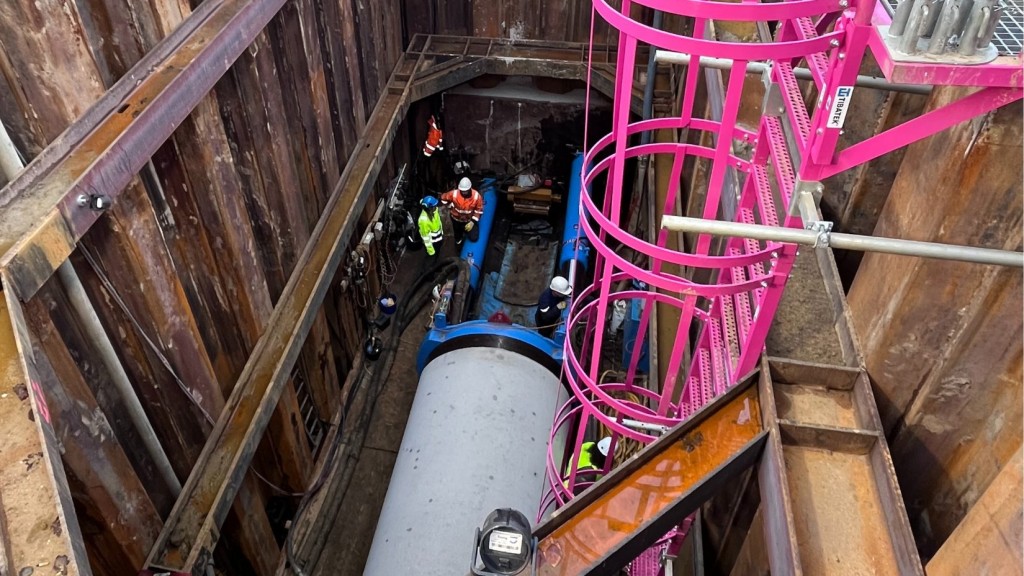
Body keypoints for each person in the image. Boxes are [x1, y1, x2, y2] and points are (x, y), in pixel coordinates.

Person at [440, 177, 484, 245]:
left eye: (465, 190)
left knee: (474, 238)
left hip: (469, 220)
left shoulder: (476, 196)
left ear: (469, 188)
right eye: (462, 190)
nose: (464, 192)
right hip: (456, 219)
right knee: (457, 236)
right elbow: (443, 198)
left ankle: (467, 231)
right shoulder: (454, 194)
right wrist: (449, 206)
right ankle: (458, 241)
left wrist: (472, 222)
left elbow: (479, 210)